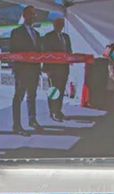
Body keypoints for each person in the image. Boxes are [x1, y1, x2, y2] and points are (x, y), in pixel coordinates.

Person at [9, 5, 42, 136]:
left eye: (34, 14)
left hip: (34, 71)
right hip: (21, 71)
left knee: (32, 96)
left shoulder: (37, 34)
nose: (33, 16)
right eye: (31, 14)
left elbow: (39, 53)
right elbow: (13, 52)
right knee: (18, 97)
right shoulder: (16, 32)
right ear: (24, 15)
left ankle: (32, 120)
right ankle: (16, 125)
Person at [42, 17, 72, 122]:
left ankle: (58, 111)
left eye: (61, 24)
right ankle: (53, 112)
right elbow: (45, 53)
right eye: (58, 24)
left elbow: (69, 51)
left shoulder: (66, 37)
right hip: (53, 69)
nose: (60, 26)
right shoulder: (48, 37)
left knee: (61, 91)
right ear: (54, 25)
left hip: (64, 69)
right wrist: (47, 69)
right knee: (54, 91)